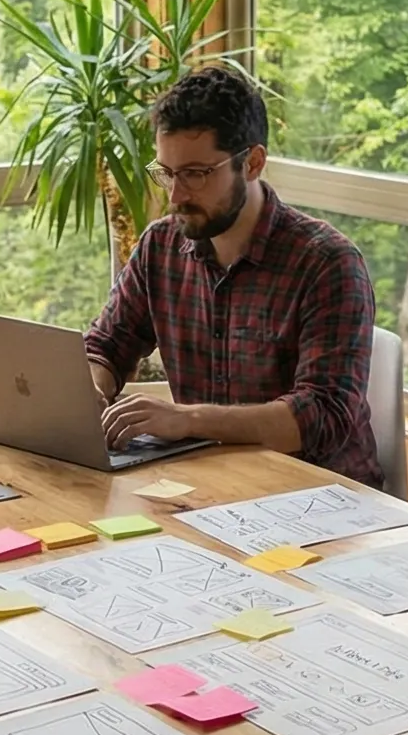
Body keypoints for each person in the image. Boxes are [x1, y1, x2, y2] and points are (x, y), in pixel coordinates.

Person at [85, 67, 382, 488]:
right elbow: (106, 347)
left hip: (322, 501)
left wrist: (188, 420)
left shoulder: (327, 262)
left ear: (252, 163)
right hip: (210, 489)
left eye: (195, 174)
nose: (176, 195)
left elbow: (322, 416)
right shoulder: (161, 247)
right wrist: (91, 390)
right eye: (166, 172)